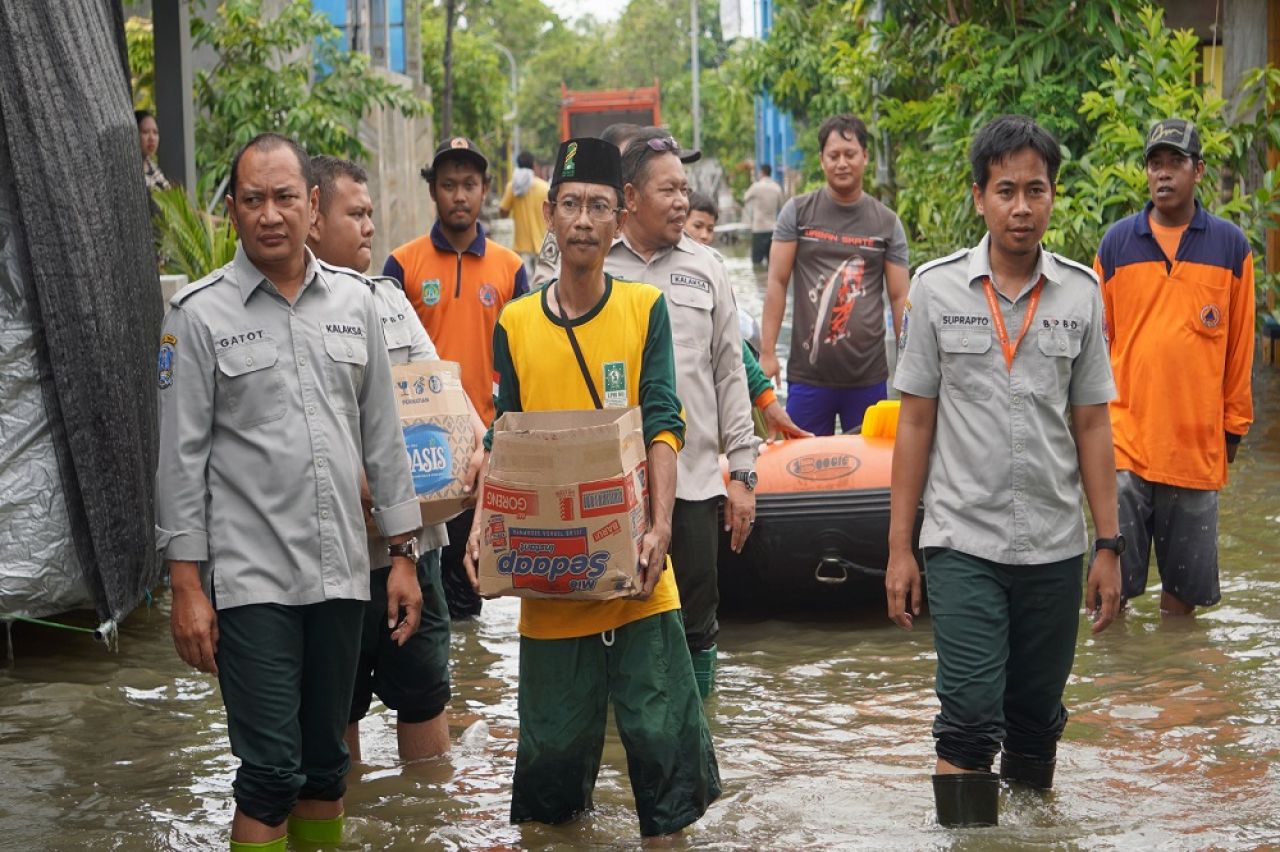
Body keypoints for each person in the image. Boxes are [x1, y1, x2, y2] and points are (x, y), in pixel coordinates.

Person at [156, 133, 424, 851]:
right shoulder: (198, 315)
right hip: (252, 583)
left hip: (342, 574)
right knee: (270, 771)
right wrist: (186, 584)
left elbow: (383, 439)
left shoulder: (357, 304)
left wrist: (403, 554)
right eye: (252, 200)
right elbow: (179, 460)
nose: (269, 214)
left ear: (311, 205)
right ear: (233, 212)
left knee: (326, 770)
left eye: (283, 198)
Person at [463, 136, 719, 838]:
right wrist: (486, 523)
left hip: (637, 576)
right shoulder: (515, 322)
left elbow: (665, 422)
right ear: (549, 214)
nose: (583, 219)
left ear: (618, 217)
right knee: (550, 788)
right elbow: (502, 435)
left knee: (667, 768)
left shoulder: (645, 310)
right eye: (571, 204)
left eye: (598, 206)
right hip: (552, 588)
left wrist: (660, 528)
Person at [885, 115, 1123, 828]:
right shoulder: (937, 290)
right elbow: (915, 422)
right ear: (980, 198)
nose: (1022, 207)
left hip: (1055, 545)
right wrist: (901, 546)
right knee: (966, 715)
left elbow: (1093, 425)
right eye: (1006, 191)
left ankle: (1029, 839)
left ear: (1053, 197)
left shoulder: (1081, 294)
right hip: (963, 541)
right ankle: (966, 841)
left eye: (1036, 190)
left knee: (1036, 720)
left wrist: (1108, 545)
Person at [306, 154, 485, 765]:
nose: (368, 228)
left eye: (371, 214)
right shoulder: (280, 316)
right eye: (355, 214)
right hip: (334, 556)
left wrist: (476, 446)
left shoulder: (389, 300)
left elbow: (441, 396)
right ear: (312, 217)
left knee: (426, 696)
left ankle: (422, 821)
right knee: (339, 709)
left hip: (416, 545)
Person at [607, 127, 759, 698]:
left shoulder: (709, 268)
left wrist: (742, 474)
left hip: (695, 482)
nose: (682, 202)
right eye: (668, 190)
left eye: (685, 189)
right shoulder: (596, 264)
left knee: (698, 621)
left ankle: (700, 736)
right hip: (615, 484)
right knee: (614, 620)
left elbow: (730, 373)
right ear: (630, 197)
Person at [1094, 119, 1255, 617]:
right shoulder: (1116, 246)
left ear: (1198, 170)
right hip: (1125, 446)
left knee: (1182, 610)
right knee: (1109, 597)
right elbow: (1099, 349)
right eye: (1154, 164)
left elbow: (1239, 352)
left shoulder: (1231, 248)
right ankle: (1122, 686)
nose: (1163, 174)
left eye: (1175, 163)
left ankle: (1177, 690)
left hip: (1195, 449)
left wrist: (1232, 431)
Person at [382, 137, 528, 620]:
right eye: (448, 185)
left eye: (469, 185)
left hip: (479, 455)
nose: (459, 195)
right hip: (415, 455)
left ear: (486, 190)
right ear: (433, 192)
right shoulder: (401, 264)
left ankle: (465, 689)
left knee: (468, 594)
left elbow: (520, 364)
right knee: (414, 582)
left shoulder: (511, 268)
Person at [759, 114, 910, 436]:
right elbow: (776, 282)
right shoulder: (797, 213)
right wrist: (768, 352)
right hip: (808, 377)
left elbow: (900, 297)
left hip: (868, 377)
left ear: (865, 157)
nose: (842, 163)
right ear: (822, 160)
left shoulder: (886, 222)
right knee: (801, 469)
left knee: (872, 476)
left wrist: (911, 361)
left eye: (850, 154)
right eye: (834, 155)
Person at [683, 192, 812, 442]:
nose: (704, 235)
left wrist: (765, 396)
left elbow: (731, 339)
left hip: (727, 387)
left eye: (710, 229)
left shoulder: (715, 268)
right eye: (697, 226)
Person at [499, 150, 550, 274]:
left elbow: (503, 212)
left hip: (521, 247)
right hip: (542, 245)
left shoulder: (512, 187)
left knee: (525, 290)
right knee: (542, 286)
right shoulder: (545, 187)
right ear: (534, 165)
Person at [743, 163, 783, 266]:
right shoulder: (777, 188)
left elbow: (745, 198)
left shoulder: (756, 187)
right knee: (772, 263)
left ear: (761, 173)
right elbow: (781, 207)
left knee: (757, 264)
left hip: (759, 229)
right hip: (773, 230)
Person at [137, 109, 169, 191]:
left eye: (155, 132)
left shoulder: (153, 167)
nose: (152, 138)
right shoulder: (130, 172)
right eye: (145, 132)